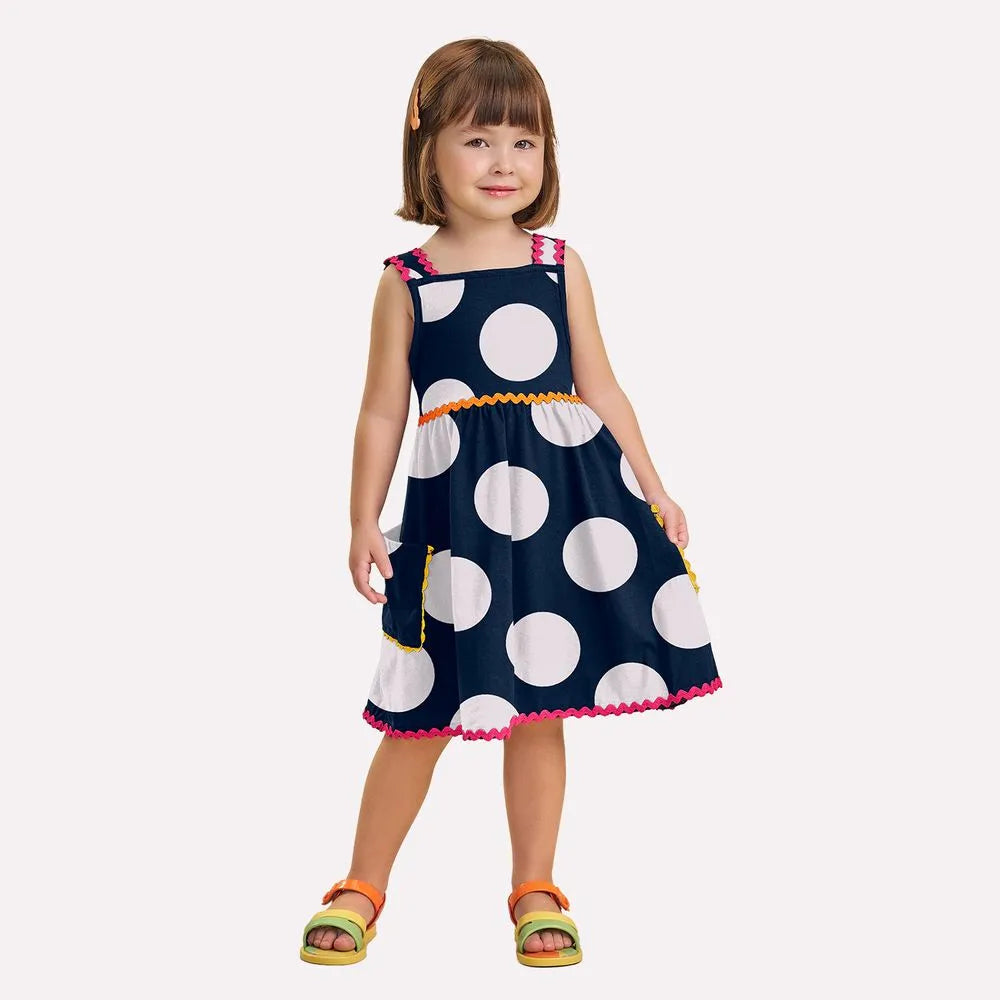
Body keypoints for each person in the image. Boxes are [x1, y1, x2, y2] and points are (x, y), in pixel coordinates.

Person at [300, 37, 722, 969]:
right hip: (456, 525)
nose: (503, 162)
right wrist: (362, 517)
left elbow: (600, 386)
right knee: (420, 709)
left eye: (524, 142)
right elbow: (382, 409)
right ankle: (363, 883)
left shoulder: (558, 263)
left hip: (561, 511)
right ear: (427, 152)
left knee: (540, 702)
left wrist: (654, 486)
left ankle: (537, 885)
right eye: (478, 139)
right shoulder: (407, 280)